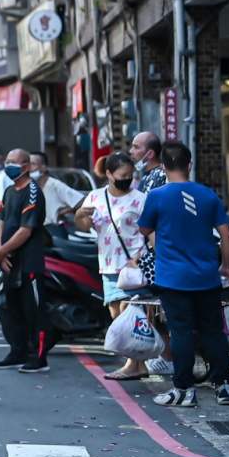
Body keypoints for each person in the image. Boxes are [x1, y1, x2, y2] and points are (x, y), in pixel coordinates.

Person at [137, 141, 229, 408]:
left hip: (173, 278)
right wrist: (226, 265)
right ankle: (224, 386)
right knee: (213, 331)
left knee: (180, 332)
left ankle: (183, 389)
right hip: (206, 277)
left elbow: (144, 230)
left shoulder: (157, 196)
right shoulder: (207, 194)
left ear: (164, 166)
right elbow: (226, 233)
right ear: (190, 165)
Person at [75, 153, 151, 381]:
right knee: (116, 314)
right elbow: (84, 224)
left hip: (133, 264)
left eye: (130, 175)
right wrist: (80, 214)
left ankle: (134, 364)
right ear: (108, 174)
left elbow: (150, 231)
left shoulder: (140, 198)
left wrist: (139, 256)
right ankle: (137, 363)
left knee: (132, 315)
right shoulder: (96, 196)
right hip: (108, 264)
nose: (127, 179)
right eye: (122, 175)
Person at [0, 148, 50, 373]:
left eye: (14, 162)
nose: (9, 165)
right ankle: (18, 351)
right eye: (7, 161)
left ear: (27, 167)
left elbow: (26, 230)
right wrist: (0, 251)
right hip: (9, 262)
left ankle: (38, 357)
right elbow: (2, 223)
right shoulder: (9, 191)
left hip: (29, 262)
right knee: (11, 309)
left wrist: (1, 252)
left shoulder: (33, 191)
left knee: (33, 310)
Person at [29, 153, 84, 225]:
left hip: (53, 229)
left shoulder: (54, 185)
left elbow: (82, 200)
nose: (29, 168)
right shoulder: (28, 187)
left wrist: (62, 211)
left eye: (33, 164)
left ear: (44, 168)